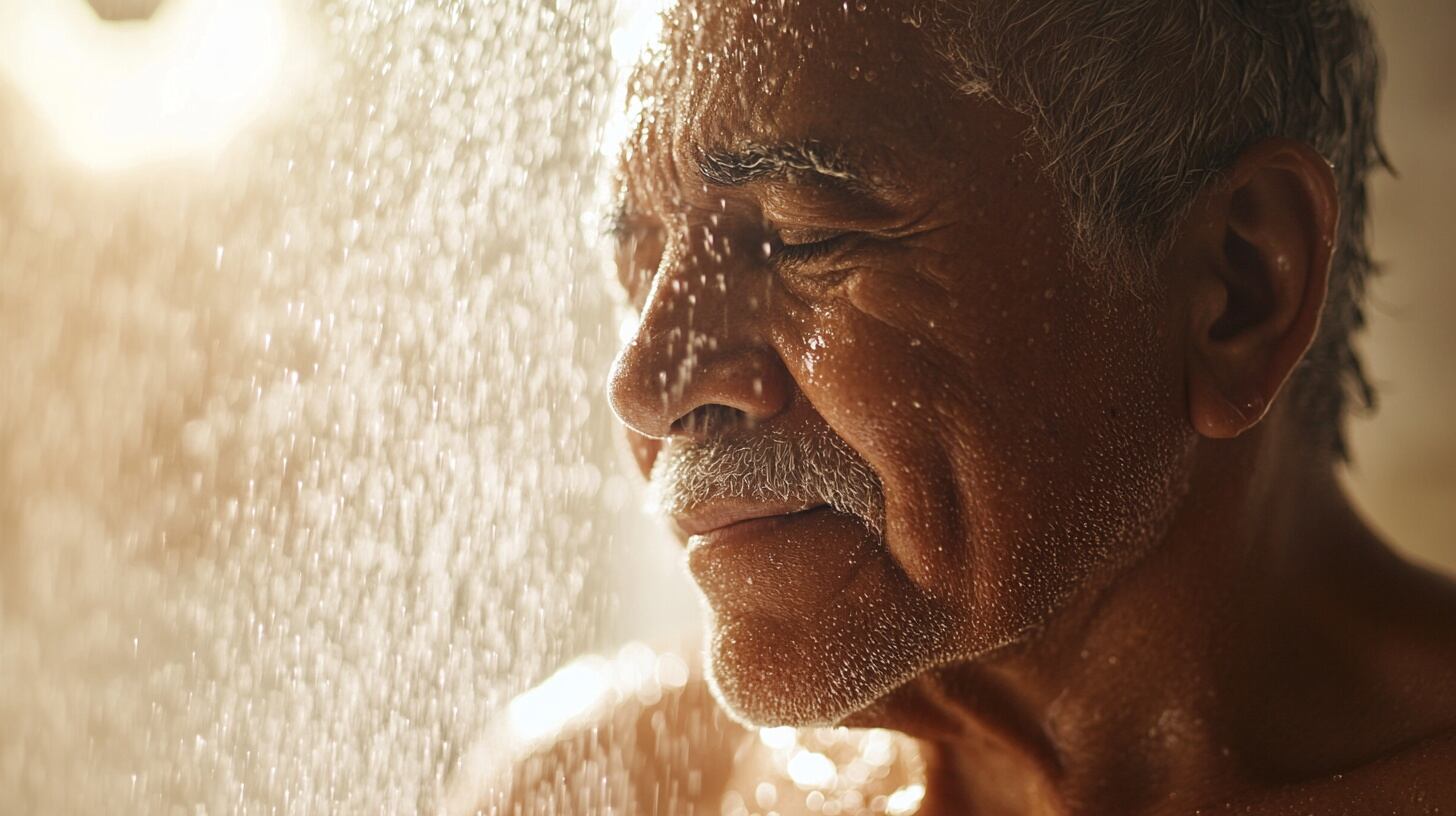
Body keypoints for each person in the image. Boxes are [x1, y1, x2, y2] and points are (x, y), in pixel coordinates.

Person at [462, 1, 1456, 812]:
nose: (645, 384)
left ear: (1239, 290)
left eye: (807, 239)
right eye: (640, 262)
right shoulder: (612, 790)